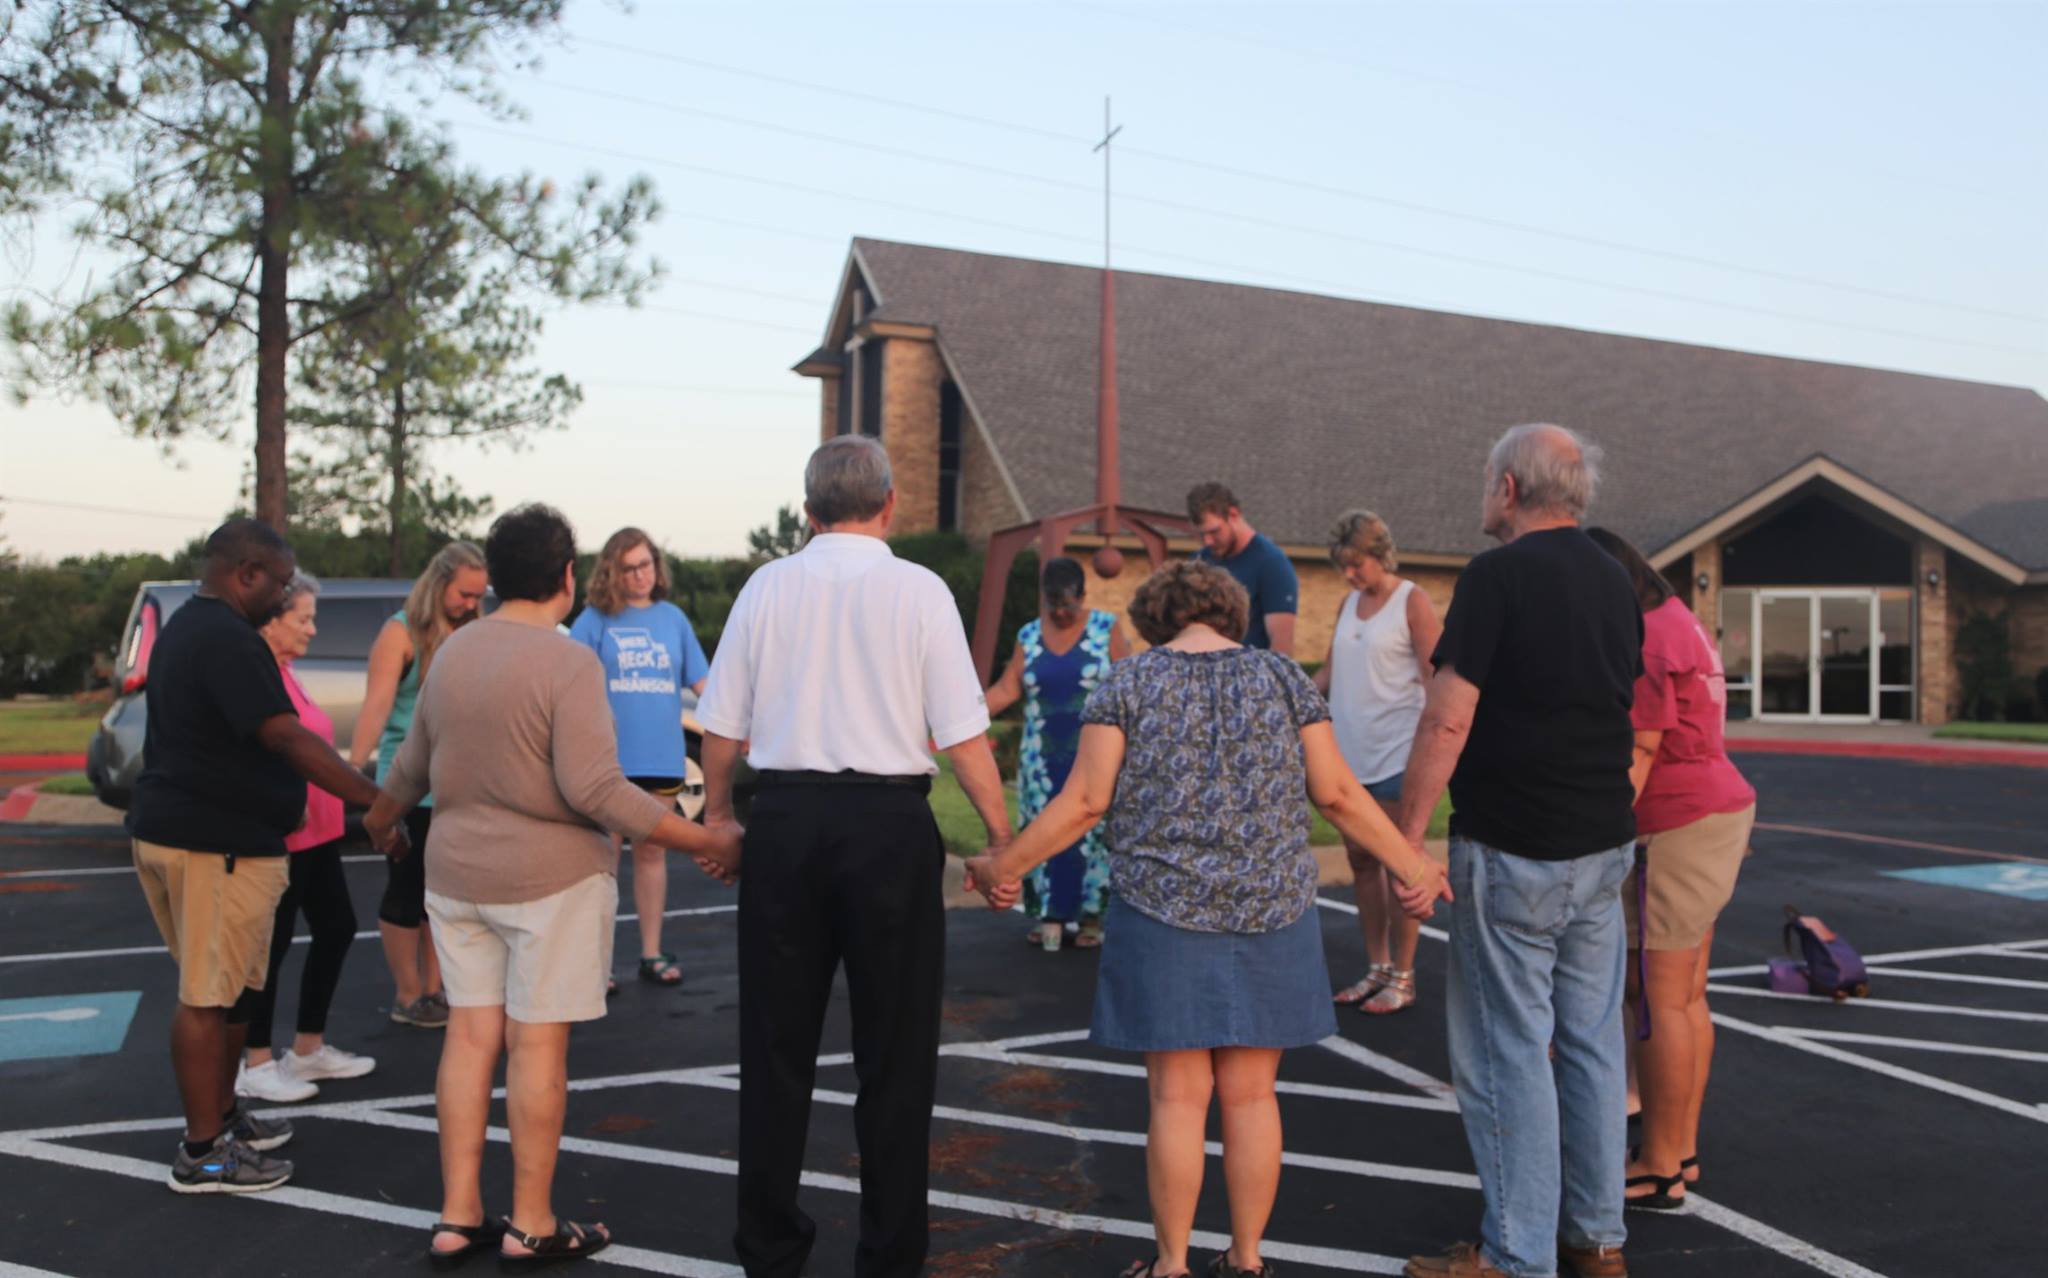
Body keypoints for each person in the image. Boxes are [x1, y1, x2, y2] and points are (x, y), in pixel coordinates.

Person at [964, 560, 1449, 1278]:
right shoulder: (1282, 677)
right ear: (1232, 613)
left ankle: (1170, 1266)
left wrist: (1004, 868)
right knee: (1254, 1096)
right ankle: (1248, 1261)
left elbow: (1085, 802)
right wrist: (1414, 867)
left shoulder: (1127, 683)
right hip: (1273, 910)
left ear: (1155, 619)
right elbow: (1339, 794)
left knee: (1176, 1099)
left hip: (1163, 915)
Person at [363, 503, 741, 1270]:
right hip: (549, 884)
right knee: (536, 1046)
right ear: (568, 578)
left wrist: (381, 821)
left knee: (470, 1039)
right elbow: (599, 790)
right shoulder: (570, 664)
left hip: (457, 879)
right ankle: (531, 1222)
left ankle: (457, 1213)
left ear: (496, 579)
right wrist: (708, 837)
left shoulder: (455, 653)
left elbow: (410, 765)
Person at [696, 435, 1015, 1278]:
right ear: (891, 503)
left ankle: (768, 1251)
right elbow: (963, 735)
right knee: (897, 1054)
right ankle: (889, 1257)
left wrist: (721, 818)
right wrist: (1000, 842)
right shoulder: (919, 590)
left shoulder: (767, 585)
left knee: (773, 1047)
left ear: (807, 511)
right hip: (888, 829)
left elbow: (721, 725)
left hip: (789, 820)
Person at [1391, 424, 1643, 1278]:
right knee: (1591, 1044)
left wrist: (1408, 837)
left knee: (1506, 1052)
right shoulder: (1615, 580)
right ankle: (1597, 1239)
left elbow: (1448, 715)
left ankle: (1513, 1255)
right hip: (1603, 846)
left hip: (1514, 849)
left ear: (1507, 488)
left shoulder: (1496, 577)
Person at [128, 520, 399, 1195]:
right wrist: (376, 802)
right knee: (207, 996)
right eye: (278, 586)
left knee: (236, 993)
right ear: (245, 572)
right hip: (211, 843)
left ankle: (221, 1119)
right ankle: (203, 1153)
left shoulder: (193, 628)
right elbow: (284, 737)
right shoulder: (225, 637)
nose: (282, 600)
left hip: (208, 837)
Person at [1585, 528, 1757, 1214]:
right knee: (1682, 995)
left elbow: (1641, 753)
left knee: (1658, 999)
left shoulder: (1649, 639)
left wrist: (1590, 835)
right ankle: (1677, 1148)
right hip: (1713, 810)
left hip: (1676, 823)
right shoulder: (1678, 617)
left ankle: (1659, 1163)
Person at [236, 571, 377, 1103]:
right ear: (271, 621)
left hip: (319, 831)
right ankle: (254, 1061)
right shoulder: (258, 677)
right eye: (304, 618)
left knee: (337, 927)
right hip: (283, 835)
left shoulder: (287, 671)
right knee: (269, 948)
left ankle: (308, 1048)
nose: (313, 629)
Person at [349, 541, 489, 1029]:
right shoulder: (399, 633)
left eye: (478, 597)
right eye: (464, 595)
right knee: (406, 892)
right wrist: (355, 776)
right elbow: (377, 707)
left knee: (444, 897)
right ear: (439, 583)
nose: (471, 604)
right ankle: (408, 994)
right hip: (409, 786)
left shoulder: (473, 632)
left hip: (457, 785)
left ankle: (435, 989)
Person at [1312, 511, 1441, 1015]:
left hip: (1397, 756)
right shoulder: (1348, 603)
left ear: (1379, 554)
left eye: (1356, 564)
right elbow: (1329, 669)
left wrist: (1434, 751)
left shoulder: (1412, 600)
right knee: (1362, 863)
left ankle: (1404, 976)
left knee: (1400, 865)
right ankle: (1378, 967)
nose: (1349, 575)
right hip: (1349, 758)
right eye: (1344, 566)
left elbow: (1436, 677)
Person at [570, 526, 711, 988]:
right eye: (629, 567)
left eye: (646, 564)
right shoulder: (593, 621)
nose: (639, 575)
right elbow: (567, 684)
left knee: (651, 856)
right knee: (602, 862)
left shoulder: (673, 620)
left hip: (662, 759)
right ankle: (597, 963)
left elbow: (703, 686)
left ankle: (651, 953)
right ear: (612, 570)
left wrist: (743, 726)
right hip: (609, 763)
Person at [982, 556, 1130, 951]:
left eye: (1069, 604)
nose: (1062, 613)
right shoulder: (1029, 635)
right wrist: (960, 719)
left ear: (1083, 597)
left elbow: (1132, 683)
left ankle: (1091, 916)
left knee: (1092, 834)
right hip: (1041, 760)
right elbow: (1007, 690)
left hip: (1094, 755)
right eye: (1054, 605)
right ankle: (1048, 913)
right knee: (1042, 829)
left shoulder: (1106, 629)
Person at [1187, 482, 1298, 656]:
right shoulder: (1197, 563)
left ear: (1233, 514)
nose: (1207, 541)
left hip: (1249, 677)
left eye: (1214, 531)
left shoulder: (1271, 563)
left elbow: (1281, 646)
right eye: (1201, 534)